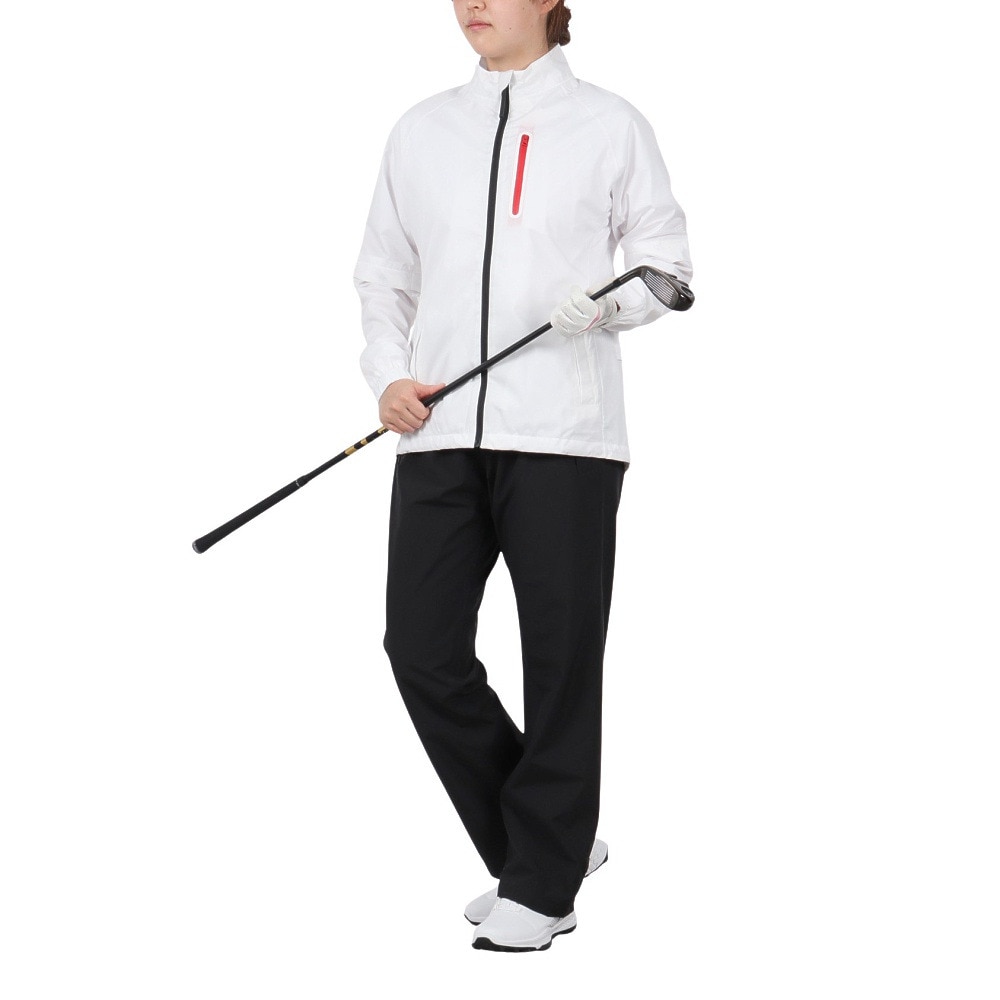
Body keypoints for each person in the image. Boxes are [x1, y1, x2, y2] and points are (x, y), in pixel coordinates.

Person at [353, 0, 692, 952]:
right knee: (420, 650)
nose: (472, 3)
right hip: (437, 432)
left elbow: (667, 266)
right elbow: (383, 276)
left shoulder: (609, 123)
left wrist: (607, 309)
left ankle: (541, 885)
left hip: (565, 437)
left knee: (561, 660)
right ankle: (549, 846)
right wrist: (388, 378)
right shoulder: (421, 129)